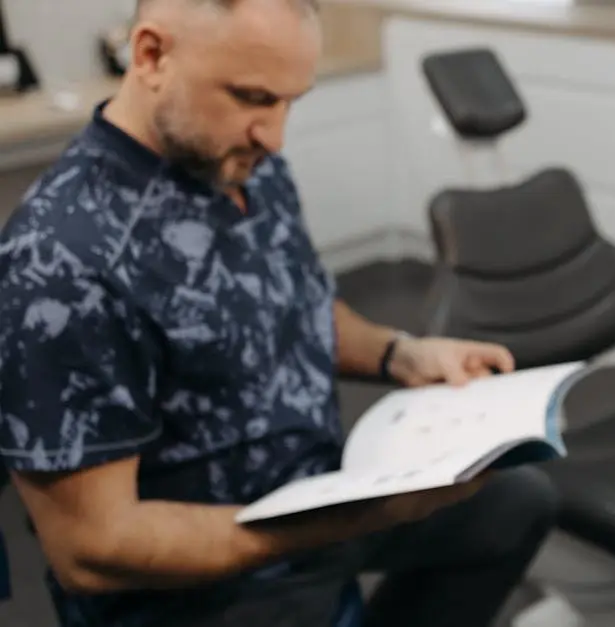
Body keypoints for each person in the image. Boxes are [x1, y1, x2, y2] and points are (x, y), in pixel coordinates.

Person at [0, 0, 560, 625]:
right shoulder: (63, 261)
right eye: (252, 97)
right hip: (201, 586)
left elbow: (293, 305)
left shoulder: (243, 163)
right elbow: (93, 549)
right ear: (152, 56)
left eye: (291, 101)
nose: (276, 134)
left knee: (515, 502)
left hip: (319, 496)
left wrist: (401, 353)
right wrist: (349, 521)